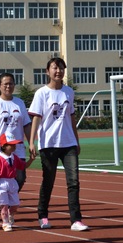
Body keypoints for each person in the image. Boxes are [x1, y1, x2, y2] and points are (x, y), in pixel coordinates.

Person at [28, 57, 89, 232]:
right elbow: (36, 118)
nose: (58, 71)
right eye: (55, 68)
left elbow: (71, 117)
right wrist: (32, 142)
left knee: (74, 181)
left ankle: (76, 220)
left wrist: (76, 141)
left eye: (61, 68)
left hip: (68, 143)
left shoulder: (68, 92)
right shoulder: (41, 93)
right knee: (48, 181)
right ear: (47, 72)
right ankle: (42, 215)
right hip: (48, 144)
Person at [0, 72, 31, 192]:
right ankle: (5, 205)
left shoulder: (20, 103)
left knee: (20, 177)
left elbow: (26, 125)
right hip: (0, 150)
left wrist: (31, 143)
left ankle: (10, 201)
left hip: (18, 149)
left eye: (11, 84)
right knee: (3, 180)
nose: (8, 86)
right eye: (5, 84)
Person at [0, 132, 34, 232]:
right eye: (11, 145)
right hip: (2, 183)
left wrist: (31, 159)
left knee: (15, 204)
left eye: (15, 144)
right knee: (4, 204)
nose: (14, 146)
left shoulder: (14, 158)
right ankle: (5, 222)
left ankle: (10, 214)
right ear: (3, 146)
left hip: (12, 182)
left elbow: (23, 166)